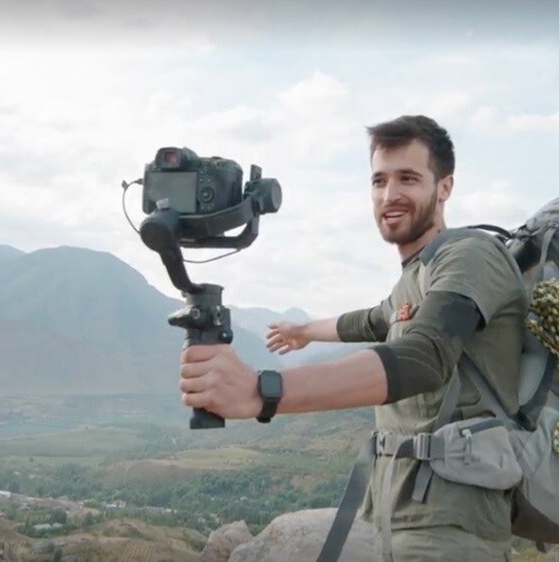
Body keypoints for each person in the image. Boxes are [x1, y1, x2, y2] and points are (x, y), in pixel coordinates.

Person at [178, 115, 526, 561]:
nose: (389, 194)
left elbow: (425, 356)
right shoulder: (416, 277)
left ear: (444, 187)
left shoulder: (471, 255)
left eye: (408, 178)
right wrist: (302, 331)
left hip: (451, 529)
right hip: (395, 516)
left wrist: (261, 390)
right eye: (379, 180)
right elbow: (371, 321)